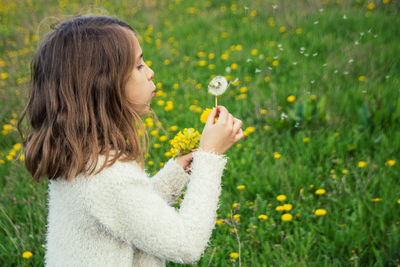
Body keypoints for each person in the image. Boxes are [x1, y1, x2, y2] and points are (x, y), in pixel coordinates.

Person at [18, 15, 244, 266]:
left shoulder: (85, 157)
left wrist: (177, 172)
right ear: (104, 85)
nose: (151, 72)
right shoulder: (106, 175)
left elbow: (133, 213)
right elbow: (186, 244)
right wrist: (210, 156)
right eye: (138, 66)